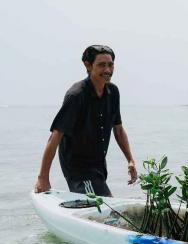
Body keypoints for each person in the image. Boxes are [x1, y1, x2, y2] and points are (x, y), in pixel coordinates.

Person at [34, 45, 137, 197]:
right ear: (88, 65)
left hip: (98, 164)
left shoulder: (113, 92)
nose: (108, 70)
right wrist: (43, 178)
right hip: (78, 168)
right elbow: (55, 137)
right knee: (102, 206)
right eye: (102, 65)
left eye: (110, 65)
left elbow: (119, 130)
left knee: (106, 206)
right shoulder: (76, 95)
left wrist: (130, 160)